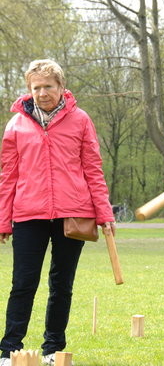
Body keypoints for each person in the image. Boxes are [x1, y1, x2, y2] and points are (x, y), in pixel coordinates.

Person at [0, 60, 115, 366]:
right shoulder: (16, 125)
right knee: (23, 283)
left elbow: (93, 169)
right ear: (29, 90)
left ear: (61, 87)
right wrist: (3, 219)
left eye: (48, 86)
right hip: (28, 214)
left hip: (73, 213)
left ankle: (52, 350)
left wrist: (104, 213)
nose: (42, 93)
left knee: (61, 284)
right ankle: (9, 350)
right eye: (35, 87)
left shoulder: (80, 120)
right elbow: (8, 175)